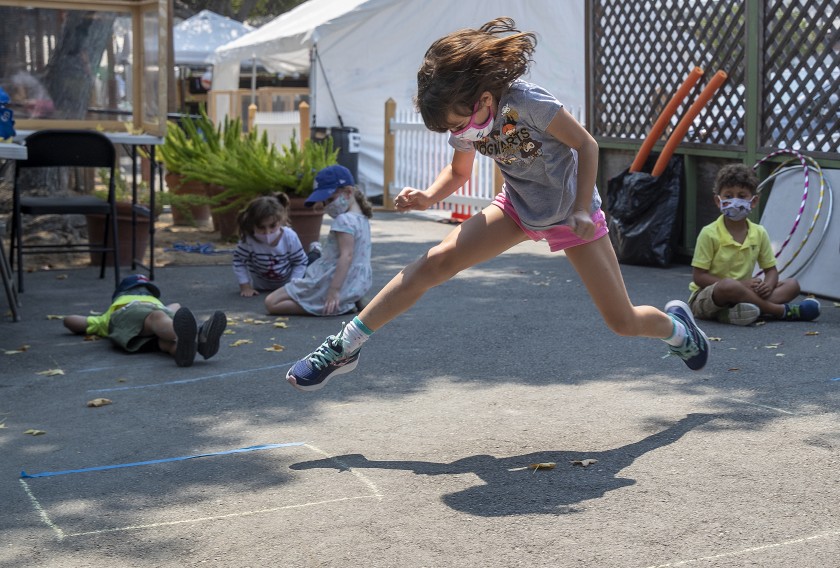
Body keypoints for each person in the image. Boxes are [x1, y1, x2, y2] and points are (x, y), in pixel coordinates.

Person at [285, 17, 710, 392]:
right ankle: (344, 347)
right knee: (434, 262)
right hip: (516, 208)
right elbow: (459, 172)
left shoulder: (527, 102)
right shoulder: (466, 121)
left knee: (622, 321)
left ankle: (678, 331)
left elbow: (586, 144)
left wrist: (582, 207)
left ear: (484, 99)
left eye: (458, 123)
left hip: (569, 214)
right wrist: (429, 196)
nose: (459, 132)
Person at [687, 163, 820, 325]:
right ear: (718, 200)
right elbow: (699, 277)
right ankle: (780, 311)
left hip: (746, 293)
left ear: (754, 201)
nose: (735, 200)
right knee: (728, 286)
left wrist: (768, 286)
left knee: (792, 284)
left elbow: (771, 271)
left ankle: (741, 312)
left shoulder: (759, 232)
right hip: (710, 296)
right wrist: (740, 285)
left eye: (742, 196)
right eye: (728, 196)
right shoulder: (709, 233)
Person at [264, 165, 373, 316]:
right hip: (355, 284)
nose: (326, 206)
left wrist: (334, 291)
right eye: (324, 202)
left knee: (271, 302)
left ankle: (329, 306)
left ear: (348, 192)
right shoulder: (362, 218)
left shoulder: (344, 220)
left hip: (329, 280)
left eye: (330, 199)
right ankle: (344, 301)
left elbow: (346, 256)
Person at [63, 274, 227, 367]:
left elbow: (175, 306)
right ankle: (200, 338)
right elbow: (73, 321)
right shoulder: (117, 308)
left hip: (144, 336)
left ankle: (184, 351)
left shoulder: (109, 315)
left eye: (147, 292)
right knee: (157, 317)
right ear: (121, 295)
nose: (144, 294)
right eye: (139, 290)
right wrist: (70, 320)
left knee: (167, 343)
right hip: (135, 315)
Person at [233, 194, 309, 297]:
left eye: (272, 226)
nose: (267, 232)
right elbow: (239, 261)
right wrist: (245, 286)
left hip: (287, 284)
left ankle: (315, 250)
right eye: (261, 227)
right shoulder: (248, 240)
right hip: (261, 287)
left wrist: (293, 285)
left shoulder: (289, 237)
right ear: (252, 224)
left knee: (313, 264)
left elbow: (300, 261)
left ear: (281, 221)